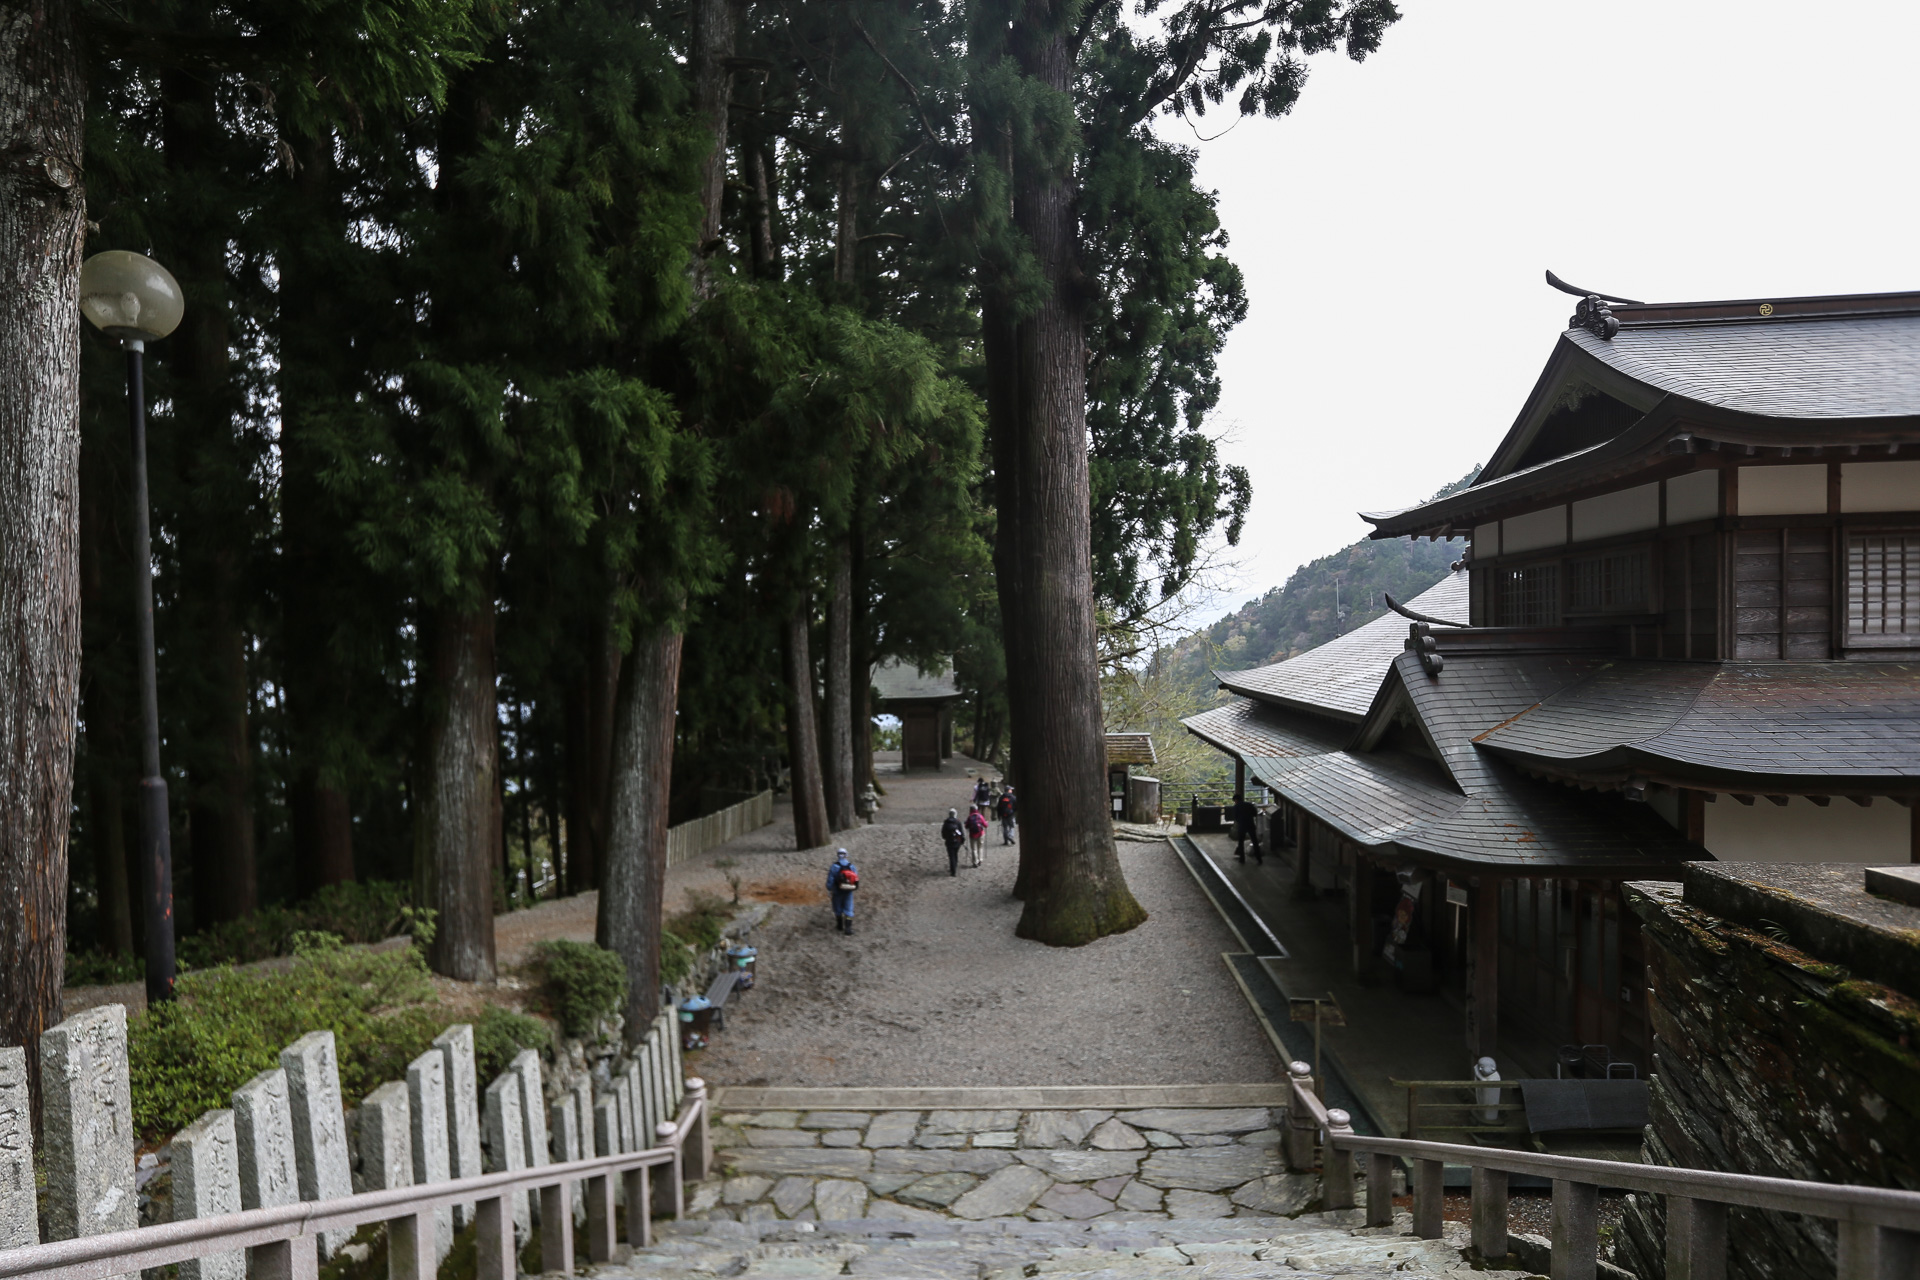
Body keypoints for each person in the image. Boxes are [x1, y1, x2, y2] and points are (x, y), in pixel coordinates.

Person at [826, 849, 859, 934]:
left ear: (838, 855)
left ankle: (839, 925)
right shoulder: (851, 866)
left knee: (837, 907)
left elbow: (830, 880)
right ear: (846, 855)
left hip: (837, 890)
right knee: (849, 909)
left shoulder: (834, 866)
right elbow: (856, 878)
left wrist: (829, 889)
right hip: (848, 891)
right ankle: (848, 929)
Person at [1230, 794, 1264, 865]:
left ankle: (1242, 859)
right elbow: (1255, 814)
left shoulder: (1236, 807)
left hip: (1242, 826)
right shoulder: (1249, 805)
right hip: (1250, 824)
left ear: (1236, 800)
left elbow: (1236, 817)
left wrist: (1240, 821)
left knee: (1241, 842)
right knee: (1255, 842)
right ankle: (1259, 859)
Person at [940, 808, 966, 877]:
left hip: (949, 841)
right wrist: (962, 840)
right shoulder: (958, 822)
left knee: (951, 856)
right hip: (957, 841)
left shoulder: (946, 822)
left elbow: (943, 832)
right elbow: (961, 832)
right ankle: (955, 866)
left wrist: (946, 838)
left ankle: (953, 870)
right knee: (955, 854)